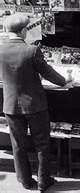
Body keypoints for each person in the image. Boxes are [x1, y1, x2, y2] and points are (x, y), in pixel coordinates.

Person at [0, 13, 74, 191]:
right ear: (24, 31)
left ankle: (25, 181)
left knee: (18, 145)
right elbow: (49, 73)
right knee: (42, 143)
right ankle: (43, 181)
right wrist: (66, 79)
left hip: (10, 105)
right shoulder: (31, 50)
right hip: (35, 105)